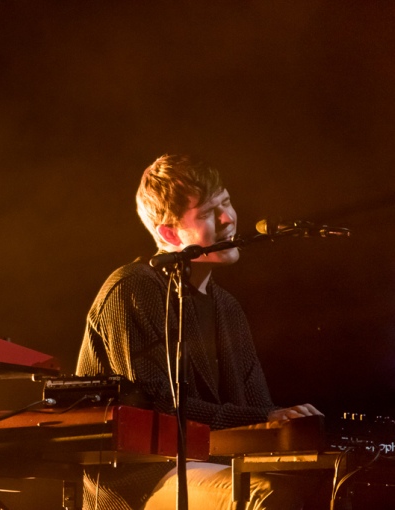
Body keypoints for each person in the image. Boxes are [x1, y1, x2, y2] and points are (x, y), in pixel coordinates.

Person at [75, 154, 324, 509]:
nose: (228, 219)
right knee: (268, 493)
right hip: (141, 480)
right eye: (207, 213)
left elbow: (258, 407)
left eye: (225, 202)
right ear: (169, 232)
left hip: (213, 465)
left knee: (327, 484)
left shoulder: (228, 308)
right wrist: (265, 418)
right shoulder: (133, 288)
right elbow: (159, 408)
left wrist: (290, 425)